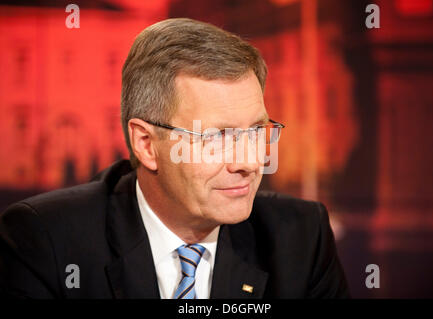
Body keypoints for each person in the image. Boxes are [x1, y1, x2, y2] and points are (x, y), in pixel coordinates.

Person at [0, 18, 349, 299]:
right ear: (147, 144)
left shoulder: (302, 238)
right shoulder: (46, 240)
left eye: (256, 131)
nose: (250, 162)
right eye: (218, 137)